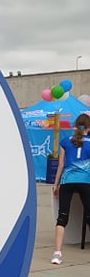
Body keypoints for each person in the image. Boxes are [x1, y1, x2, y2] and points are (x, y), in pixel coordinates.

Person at [51, 113, 90, 264]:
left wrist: (56, 184)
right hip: (85, 182)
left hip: (67, 181)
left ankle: (57, 253)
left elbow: (60, 165)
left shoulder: (65, 141)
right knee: (88, 214)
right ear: (89, 127)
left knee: (62, 216)